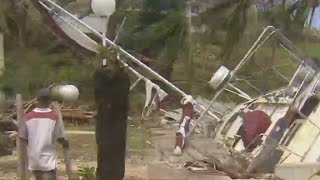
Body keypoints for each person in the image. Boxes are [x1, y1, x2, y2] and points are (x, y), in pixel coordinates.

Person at [19, 88, 69, 180]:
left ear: (37, 100)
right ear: (50, 100)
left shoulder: (28, 117)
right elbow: (59, 136)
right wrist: (65, 143)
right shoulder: (54, 117)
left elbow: (23, 137)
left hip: (34, 159)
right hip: (48, 160)